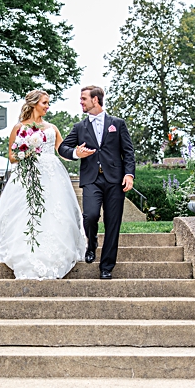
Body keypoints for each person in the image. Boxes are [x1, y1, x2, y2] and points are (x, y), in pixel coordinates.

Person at [0, 89, 86, 280]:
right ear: (34, 103)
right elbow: (11, 156)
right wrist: (25, 153)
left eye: (48, 102)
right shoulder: (19, 128)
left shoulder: (52, 128)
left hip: (52, 174)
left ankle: (57, 250)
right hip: (27, 173)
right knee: (25, 211)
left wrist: (77, 154)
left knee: (55, 212)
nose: (47, 106)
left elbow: (62, 151)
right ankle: (25, 250)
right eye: (44, 102)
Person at [57, 85, 136, 280]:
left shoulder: (117, 124)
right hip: (91, 179)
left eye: (84, 98)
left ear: (96, 100)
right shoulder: (79, 127)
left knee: (113, 223)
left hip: (115, 181)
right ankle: (91, 244)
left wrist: (129, 175)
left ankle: (106, 266)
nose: (81, 102)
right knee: (90, 216)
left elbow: (128, 152)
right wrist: (76, 153)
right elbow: (62, 148)